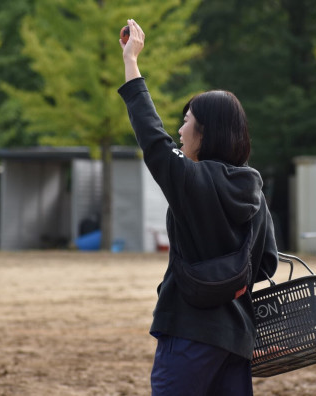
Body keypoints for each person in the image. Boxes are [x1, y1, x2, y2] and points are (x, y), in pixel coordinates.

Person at [118, 20, 278, 395]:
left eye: (186, 121)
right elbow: (266, 262)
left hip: (188, 328)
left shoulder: (192, 181)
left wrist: (131, 62)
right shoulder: (254, 188)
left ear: (204, 132)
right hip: (237, 338)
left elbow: (152, 139)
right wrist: (227, 282)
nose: (179, 129)